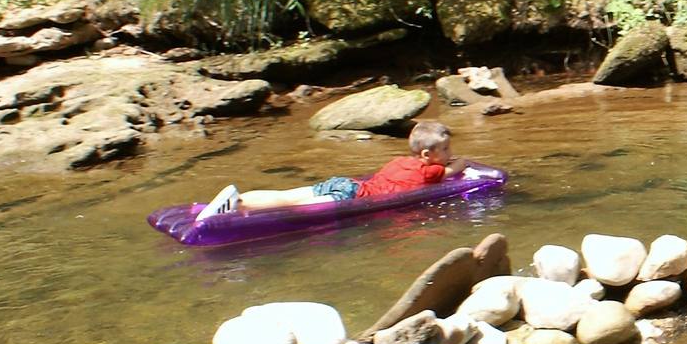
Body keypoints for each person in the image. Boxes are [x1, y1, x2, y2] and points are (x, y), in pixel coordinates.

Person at [196, 120, 482, 218]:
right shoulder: (428, 170)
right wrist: (464, 163)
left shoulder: (400, 161)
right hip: (352, 196)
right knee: (297, 209)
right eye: (445, 150)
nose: (449, 154)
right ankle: (232, 210)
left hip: (347, 183)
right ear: (426, 154)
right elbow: (450, 172)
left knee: (290, 195)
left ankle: (240, 199)